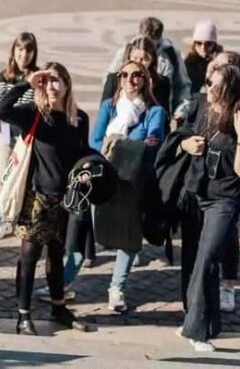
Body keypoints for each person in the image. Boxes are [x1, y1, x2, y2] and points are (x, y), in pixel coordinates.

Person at [169, 64, 240, 352]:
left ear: (230, 90)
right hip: (196, 193)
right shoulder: (200, 106)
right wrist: (186, 144)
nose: (208, 88)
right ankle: (205, 322)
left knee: (207, 259)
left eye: (215, 85)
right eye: (208, 82)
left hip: (224, 200)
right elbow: (180, 132)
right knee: (193, 260)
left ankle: (197, 330)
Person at [0, 62, 90, 335]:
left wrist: (87, 169)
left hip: (65, 199)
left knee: (57, 255)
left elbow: (83, 151)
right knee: (29, 255)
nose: (51, 86)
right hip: (37, 198)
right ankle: (23, 315)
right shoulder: (33, 114)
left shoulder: (78, 119)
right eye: (46, 81)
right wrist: (27, 81)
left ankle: (58, 308)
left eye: (56, 80)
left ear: (67, 84)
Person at [88, 60, 165, 312]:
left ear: (145, 80)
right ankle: (65, 281)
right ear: (119, 79)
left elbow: (152, 143)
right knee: (82, 230)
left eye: (137, 75)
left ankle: (116, 287)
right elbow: (96, 140)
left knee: (128, 238)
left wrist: (117, 143)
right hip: (104, 177)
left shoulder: (155, 112)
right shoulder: (109, 107)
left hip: (133, 182)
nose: (130, 80)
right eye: (125, 75)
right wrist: (124, 144)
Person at [0, 33, 39, 240]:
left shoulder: (36, 77)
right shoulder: (4, 75)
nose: (23, 54)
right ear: (13, 50)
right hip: (4, 135)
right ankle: (6, 219)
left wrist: (12, 107)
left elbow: (33, 105)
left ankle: (25, 219)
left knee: (25, 179)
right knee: (5, 176)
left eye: (28, 50)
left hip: (25, 138)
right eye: (19, 49)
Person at [105, 18, 190, 123]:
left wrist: (181, 111)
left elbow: (182, 85)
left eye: (151, 46)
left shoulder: (170, 55)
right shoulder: (125, 52)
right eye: (136, 57)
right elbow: (110, 83)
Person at [103, 36, 172, 119]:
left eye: (144, 59)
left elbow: (165, 117)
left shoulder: (161, 83)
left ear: (152, 60)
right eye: (135, 58)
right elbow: (104, 113)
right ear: (129, 57)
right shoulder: (114, 79)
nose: (138, 63)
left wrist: (149, 93)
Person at [185, 21, 221, 94]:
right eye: (199, 43)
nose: (203, 48)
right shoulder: (187, 64)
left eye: (208, 44)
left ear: (214, 45)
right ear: (194, 44)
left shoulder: (221, 62)